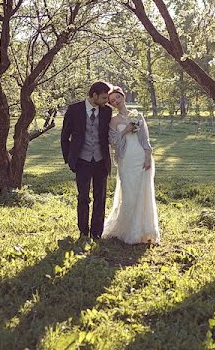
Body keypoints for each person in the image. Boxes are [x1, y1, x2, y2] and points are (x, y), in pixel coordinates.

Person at [102, 87, 160, 244]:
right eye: (112, 101)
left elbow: (145, 138)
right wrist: (126, 130)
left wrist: (148, 156)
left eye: (117, 98)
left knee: (144, 192)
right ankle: (128, 229)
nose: (116, 102)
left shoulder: (137, 114)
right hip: (126, 159)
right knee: (129, 192)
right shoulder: (113, 121)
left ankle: (144, 230)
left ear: (123, 96)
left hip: (141, 157)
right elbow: (113, 142)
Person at [61, 81, 113, 239]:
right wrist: (70, 159)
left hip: (101, 160)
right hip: (81, 161)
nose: (107, 101)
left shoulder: (107, 112)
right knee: (83, 197)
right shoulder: (74, 109)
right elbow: (64, 136)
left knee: (100, 197)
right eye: (104, 98)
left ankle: (96, 233)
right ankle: (83, 231)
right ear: (94, 95)